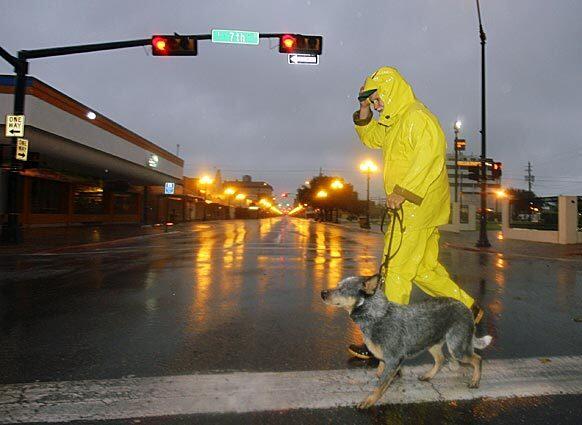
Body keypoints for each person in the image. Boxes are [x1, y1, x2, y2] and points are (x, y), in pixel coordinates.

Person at [350, 66, 483, 360]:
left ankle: (385, 342)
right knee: (422, 269)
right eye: (372, 103)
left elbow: (431, 160)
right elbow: (370, 137)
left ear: (392, 90)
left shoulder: (417, 118)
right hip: (413, 205)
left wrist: (403, 191)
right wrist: (362, 107)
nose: (376, 105)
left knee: (396, 268)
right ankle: (468, 309)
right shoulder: (394, 122)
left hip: (414, 206)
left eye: (377, 99)